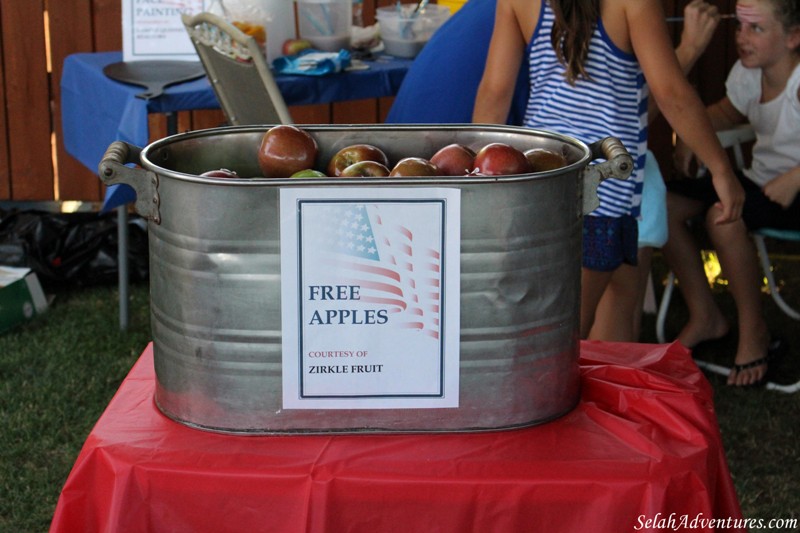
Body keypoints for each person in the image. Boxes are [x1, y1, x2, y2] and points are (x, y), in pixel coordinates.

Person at [473, 0, 745, 340]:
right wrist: (722, 170)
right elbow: (671, 92)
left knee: (580, 331)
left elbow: (494, 93)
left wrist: (476, 182)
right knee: (576, 341)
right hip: (607, 187)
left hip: (541, 180)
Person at [662, 0, 800, 386]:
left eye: (756, 29)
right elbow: (722, 113)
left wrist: (795, 177)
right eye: (739, 27)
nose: (742, 37)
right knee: (664, 205)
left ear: (793, 37)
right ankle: (706, 315)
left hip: (794, 194)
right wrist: (693, 135)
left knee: (723, 217)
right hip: (761, 182)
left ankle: (754, 332)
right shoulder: (748, 74)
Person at [591, 0, 725, 342]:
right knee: (611, 322)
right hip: (611, 184)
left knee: (610, 314)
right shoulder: (629, 7)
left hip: (605, 182)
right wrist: (690, 48)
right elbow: (653, 100)